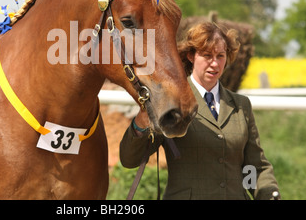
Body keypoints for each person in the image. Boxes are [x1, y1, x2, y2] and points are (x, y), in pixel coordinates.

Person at [119, 21, 280, 200]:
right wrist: (143, 119)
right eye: (207, 55)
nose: (215, 63)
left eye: (220, 56)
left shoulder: (242, 106)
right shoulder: (171, 100)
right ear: (191, 55)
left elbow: (255, 166)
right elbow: (129, 159)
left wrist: (268, 194)